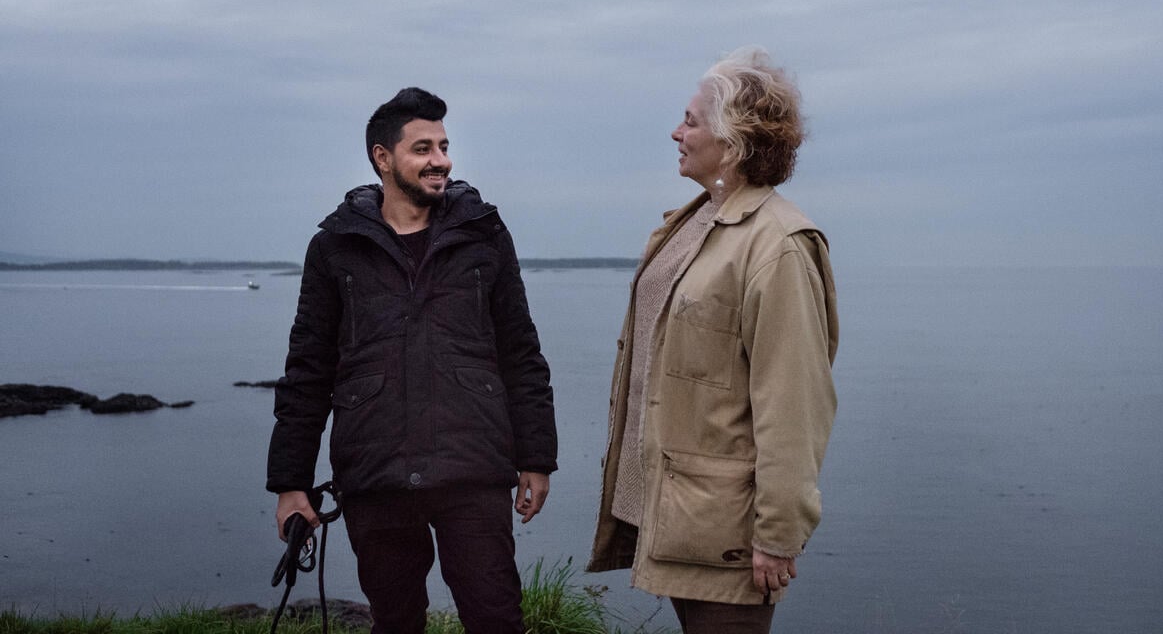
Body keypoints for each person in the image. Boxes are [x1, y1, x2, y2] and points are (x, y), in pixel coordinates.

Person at [267, 87, 558, 634]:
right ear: (383, 157)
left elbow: (521, 353)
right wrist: (291, 483)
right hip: (375, 473)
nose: (440, 160)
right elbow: (307, 370)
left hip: (473, 470)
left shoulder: (484, 235)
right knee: (396, 622)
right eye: (423, 148)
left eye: (444, 147)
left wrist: (537, 458)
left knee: (496, 619)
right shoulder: (335, 247)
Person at [587, 47, 838, 633]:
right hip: (680, 512)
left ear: (733, 139)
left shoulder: (777, 246)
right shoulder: (695, 223)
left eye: (691, 121)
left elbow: (794, 404)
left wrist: (778, 535)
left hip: (727, 528)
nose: (676, 133)